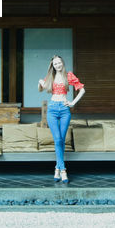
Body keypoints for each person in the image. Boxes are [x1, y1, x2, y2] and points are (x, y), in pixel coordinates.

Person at [37, 55, 85, 184]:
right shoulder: (50, 77)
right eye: (55, 64)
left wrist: (73, 102)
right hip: (52, 109)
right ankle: (63, 169)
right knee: (57, 139)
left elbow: (82, 90)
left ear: (62, 63)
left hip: (64, 110)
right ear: (52, 66)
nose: (57, 65)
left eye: (59, 63)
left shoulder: (68, 75)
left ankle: (57, 169)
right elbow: (41, 89)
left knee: (62, 140)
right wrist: (40, 83)